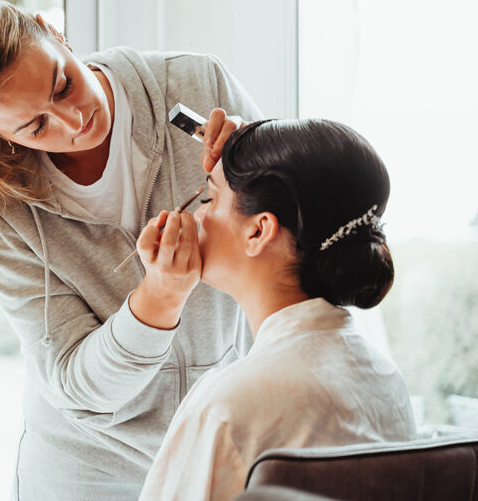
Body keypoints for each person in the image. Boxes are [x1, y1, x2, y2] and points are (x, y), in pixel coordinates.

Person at [0, 0, 262, 499]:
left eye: (62, 83)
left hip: (220, 441)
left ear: (52, 32)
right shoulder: (1, 208)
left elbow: (290, 240)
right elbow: (77, 385)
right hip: (86, 469)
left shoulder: (197, 84)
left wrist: (262, 179)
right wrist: (159, 299)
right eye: (35, 127)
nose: (74, 120)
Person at [138, 119, 417, 501]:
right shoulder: (386, 379)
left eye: (209, 198)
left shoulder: (227, 405)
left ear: (259, 231)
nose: (198, 216)